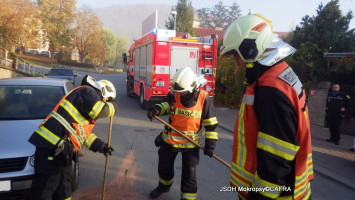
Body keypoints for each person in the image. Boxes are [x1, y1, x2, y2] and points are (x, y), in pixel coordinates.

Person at [220, 14, 313, 200]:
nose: (238, 63)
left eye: (237, 56)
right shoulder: (281, 73)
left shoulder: (271, 91)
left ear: (250, 49)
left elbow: (275, 161)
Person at [27, 75, 118, 200]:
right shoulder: (87, 91)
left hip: (62, 150)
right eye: (108, 99)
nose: (106, 101)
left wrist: (100, 146)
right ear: (103, 91)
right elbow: (100, 111)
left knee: (64, 188)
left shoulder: (85, 104)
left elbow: (81, 134)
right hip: (51, 146)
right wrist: (115, 105)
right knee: (43, 189)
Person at [147, 67, 218, 200]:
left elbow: (211, 124)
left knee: (189, 175)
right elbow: (167, 105)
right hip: (169, 141)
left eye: (182, 92)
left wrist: (210, 145)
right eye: (176, 92)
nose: (178, 95)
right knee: (164, 167)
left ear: (192, 88)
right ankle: (164, 187)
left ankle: (187, 198)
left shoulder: (203, 98)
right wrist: (156, 109)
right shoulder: (176, 91)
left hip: (190, 144)